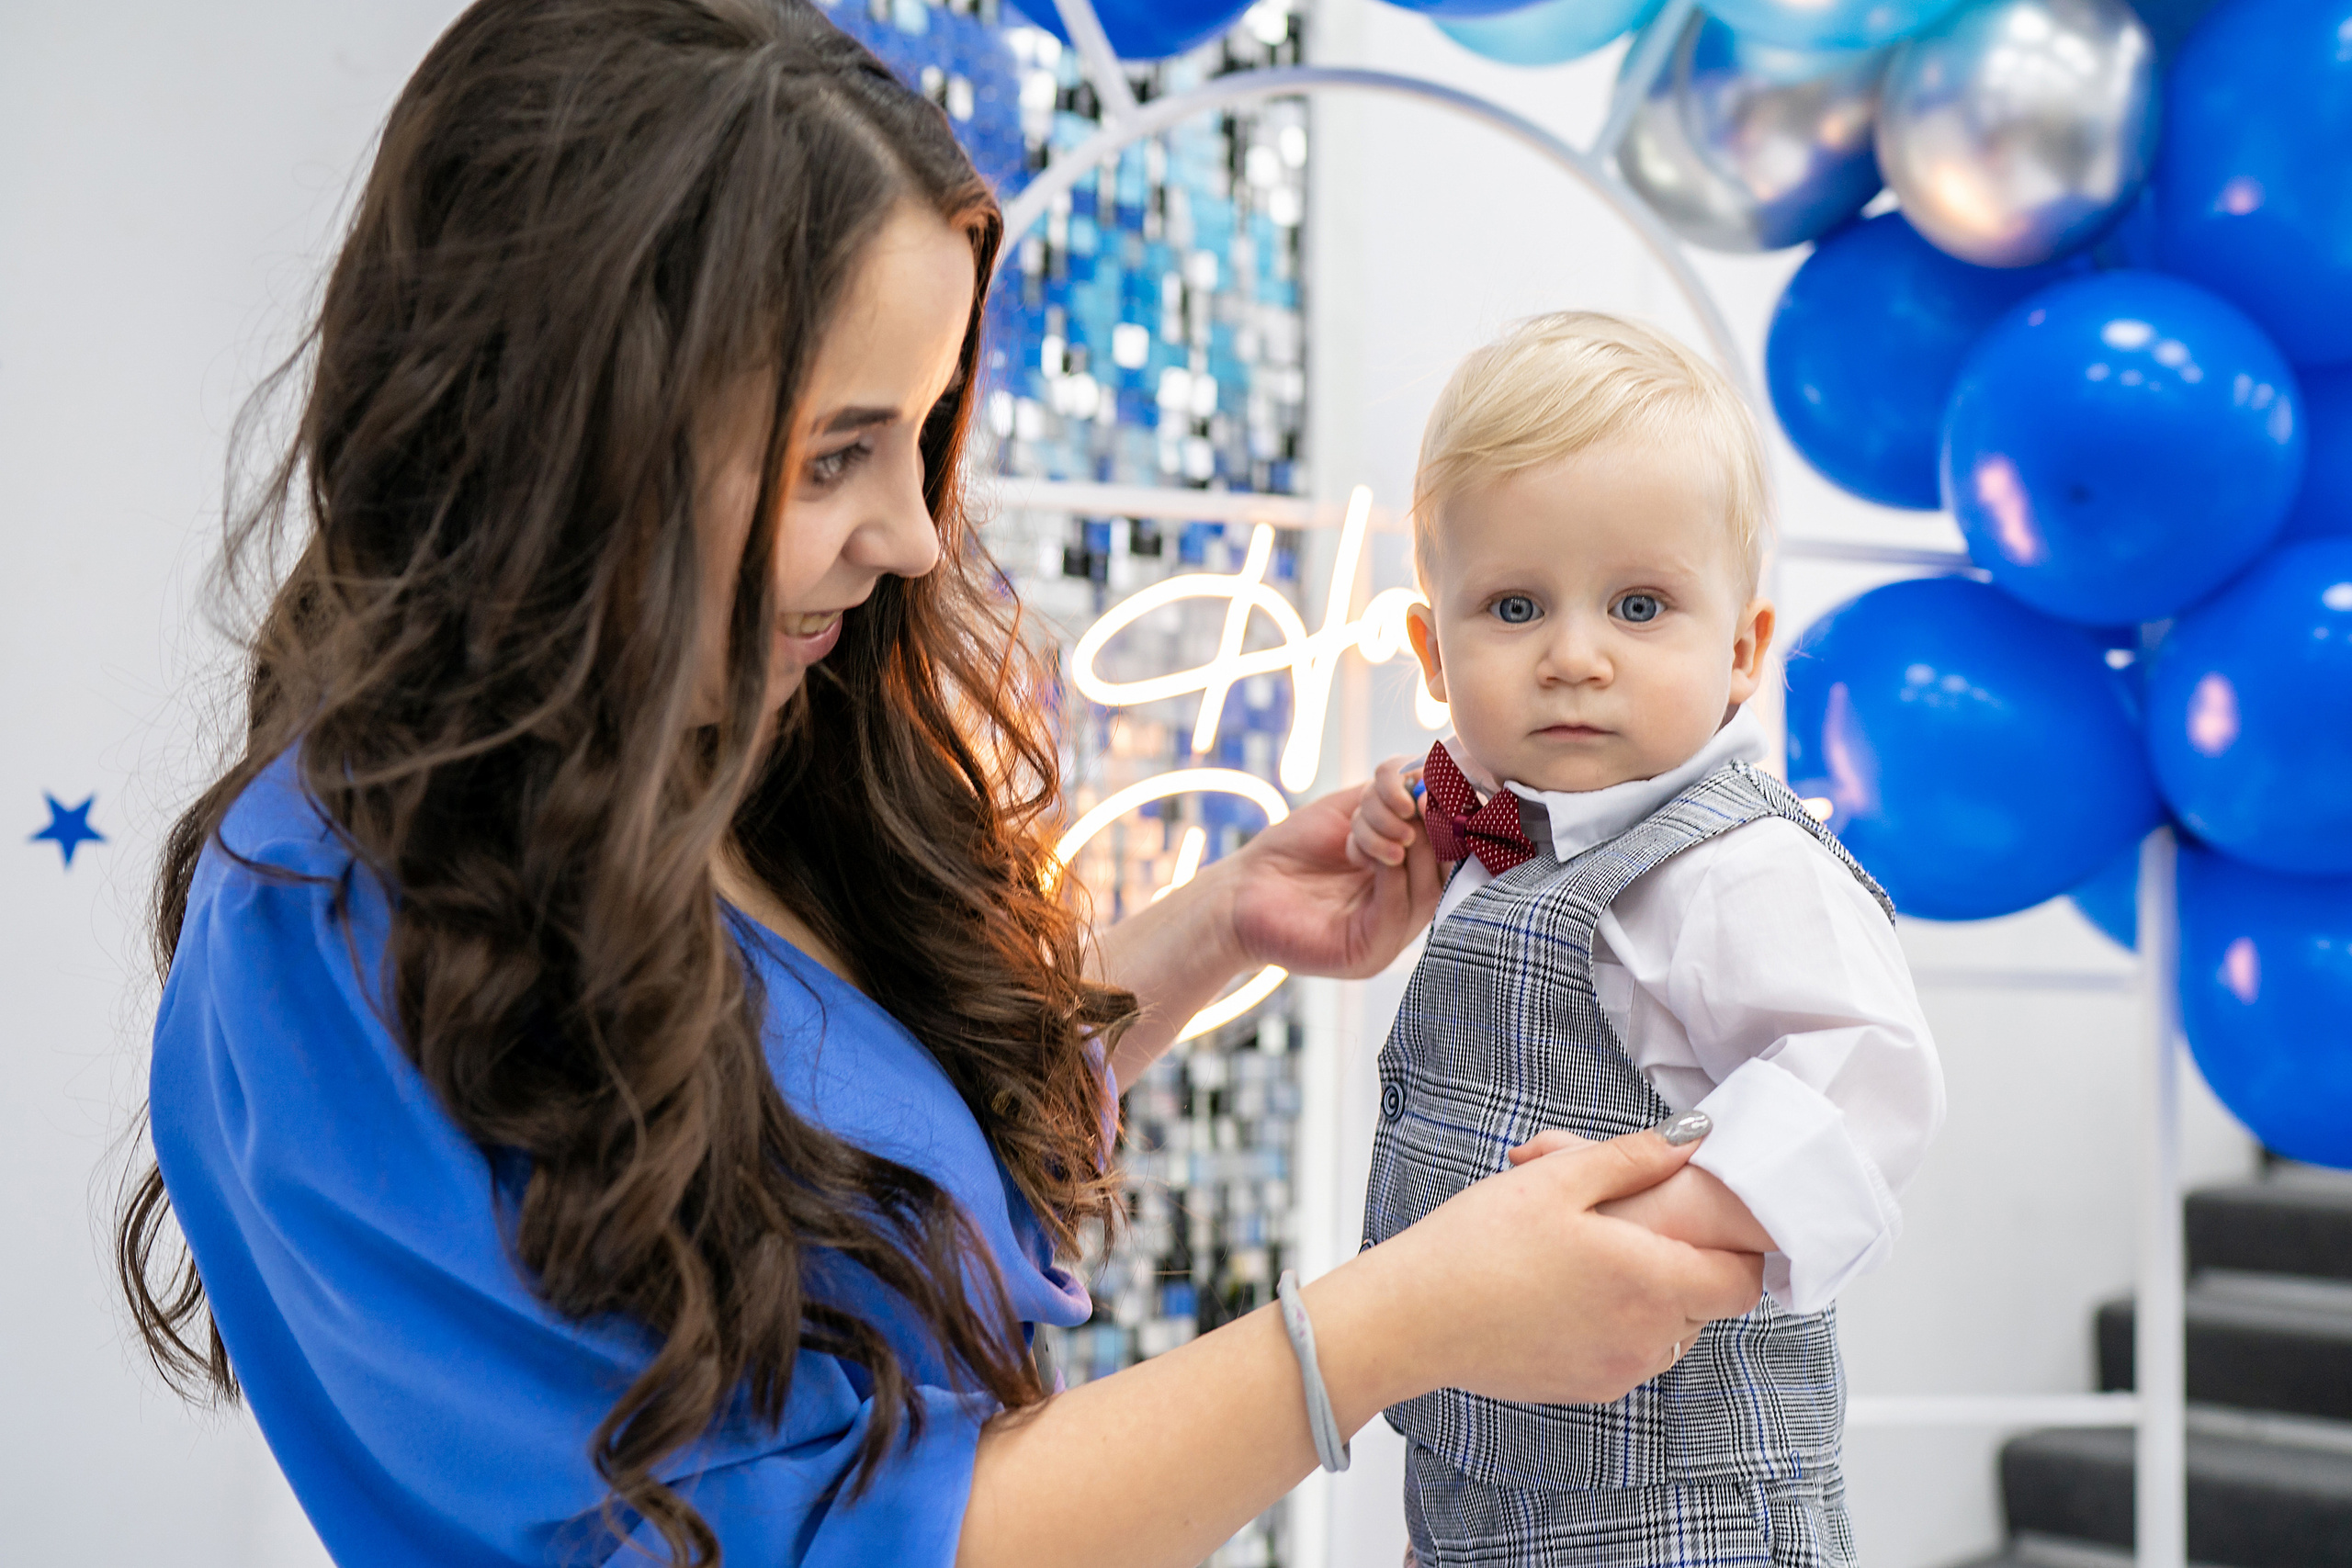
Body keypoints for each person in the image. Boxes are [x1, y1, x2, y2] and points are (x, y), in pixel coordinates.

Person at [112, 8, 1765, 1568]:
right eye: (838, 454)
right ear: (574, 426)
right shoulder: (327, 930)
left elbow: (842, 1189)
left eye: (918, 437)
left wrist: (1205, 937)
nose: (909, 533)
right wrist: (1406, 1326)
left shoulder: (746, 763)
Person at [1348, 312, 1946, 1568]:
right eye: (1515, 606)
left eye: (1639, 605)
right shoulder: (1510, 843)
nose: (1575, 658)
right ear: (1433, 651)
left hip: (1680, 1507)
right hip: (1478, 1483)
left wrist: (1678, 1211)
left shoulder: (1735, 867)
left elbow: (1868, 1087)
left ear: (1740, 652)